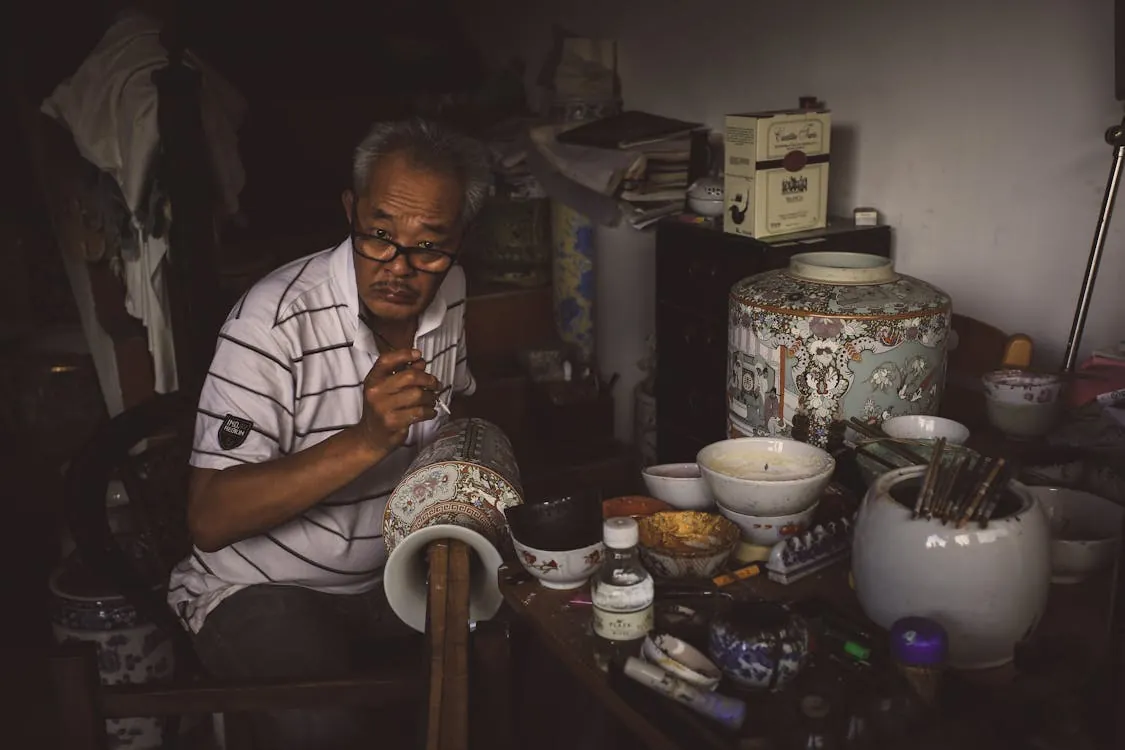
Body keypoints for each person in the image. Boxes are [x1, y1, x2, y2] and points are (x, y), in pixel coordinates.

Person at [167, 118, 490, 749]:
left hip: (389, 578)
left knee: (506, 662)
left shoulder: (449, 288)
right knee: (333, 725)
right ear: (351, 211)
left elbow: (454, 413)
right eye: (378, 235)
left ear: (459, 241)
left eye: (429, 245)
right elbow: (210, 516)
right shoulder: (272, 323)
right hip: (261, 588)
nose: (400, 268)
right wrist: (367, 439)